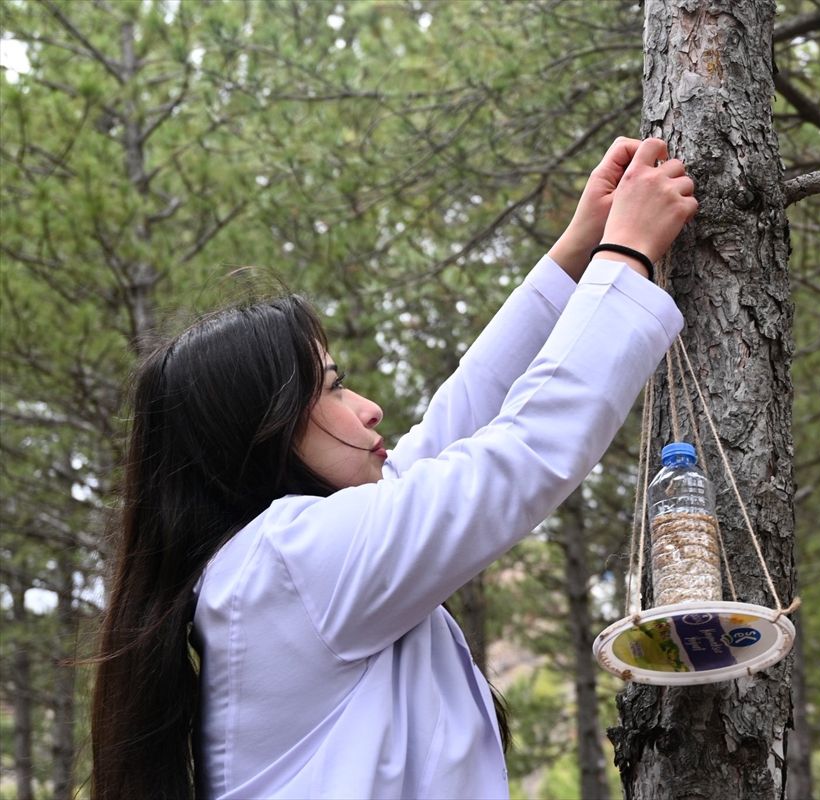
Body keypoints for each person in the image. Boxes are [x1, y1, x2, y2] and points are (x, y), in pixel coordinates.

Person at [88, 136, 697, 800]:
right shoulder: (294, 562)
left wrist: (576, 253)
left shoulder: (275, 568)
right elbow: (518, 456)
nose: (369, 408)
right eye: (332, 389)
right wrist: (627, 254)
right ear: (261, 434)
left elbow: (459, 419)